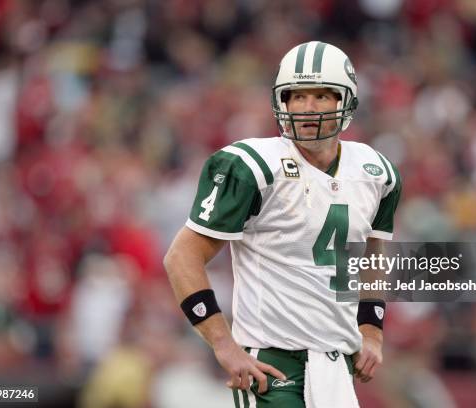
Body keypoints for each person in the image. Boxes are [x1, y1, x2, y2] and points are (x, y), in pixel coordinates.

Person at [164, 41, 402, 407]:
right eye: (297, 96)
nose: (308, 108)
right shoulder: (254, 166)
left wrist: (371, 331)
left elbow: (372, 255)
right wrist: (223, 344)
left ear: (347, 101)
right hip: (272, 364)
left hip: (337, 367)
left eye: (323, 96)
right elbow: (181, 257)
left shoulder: (374, 171)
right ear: (281, 102)